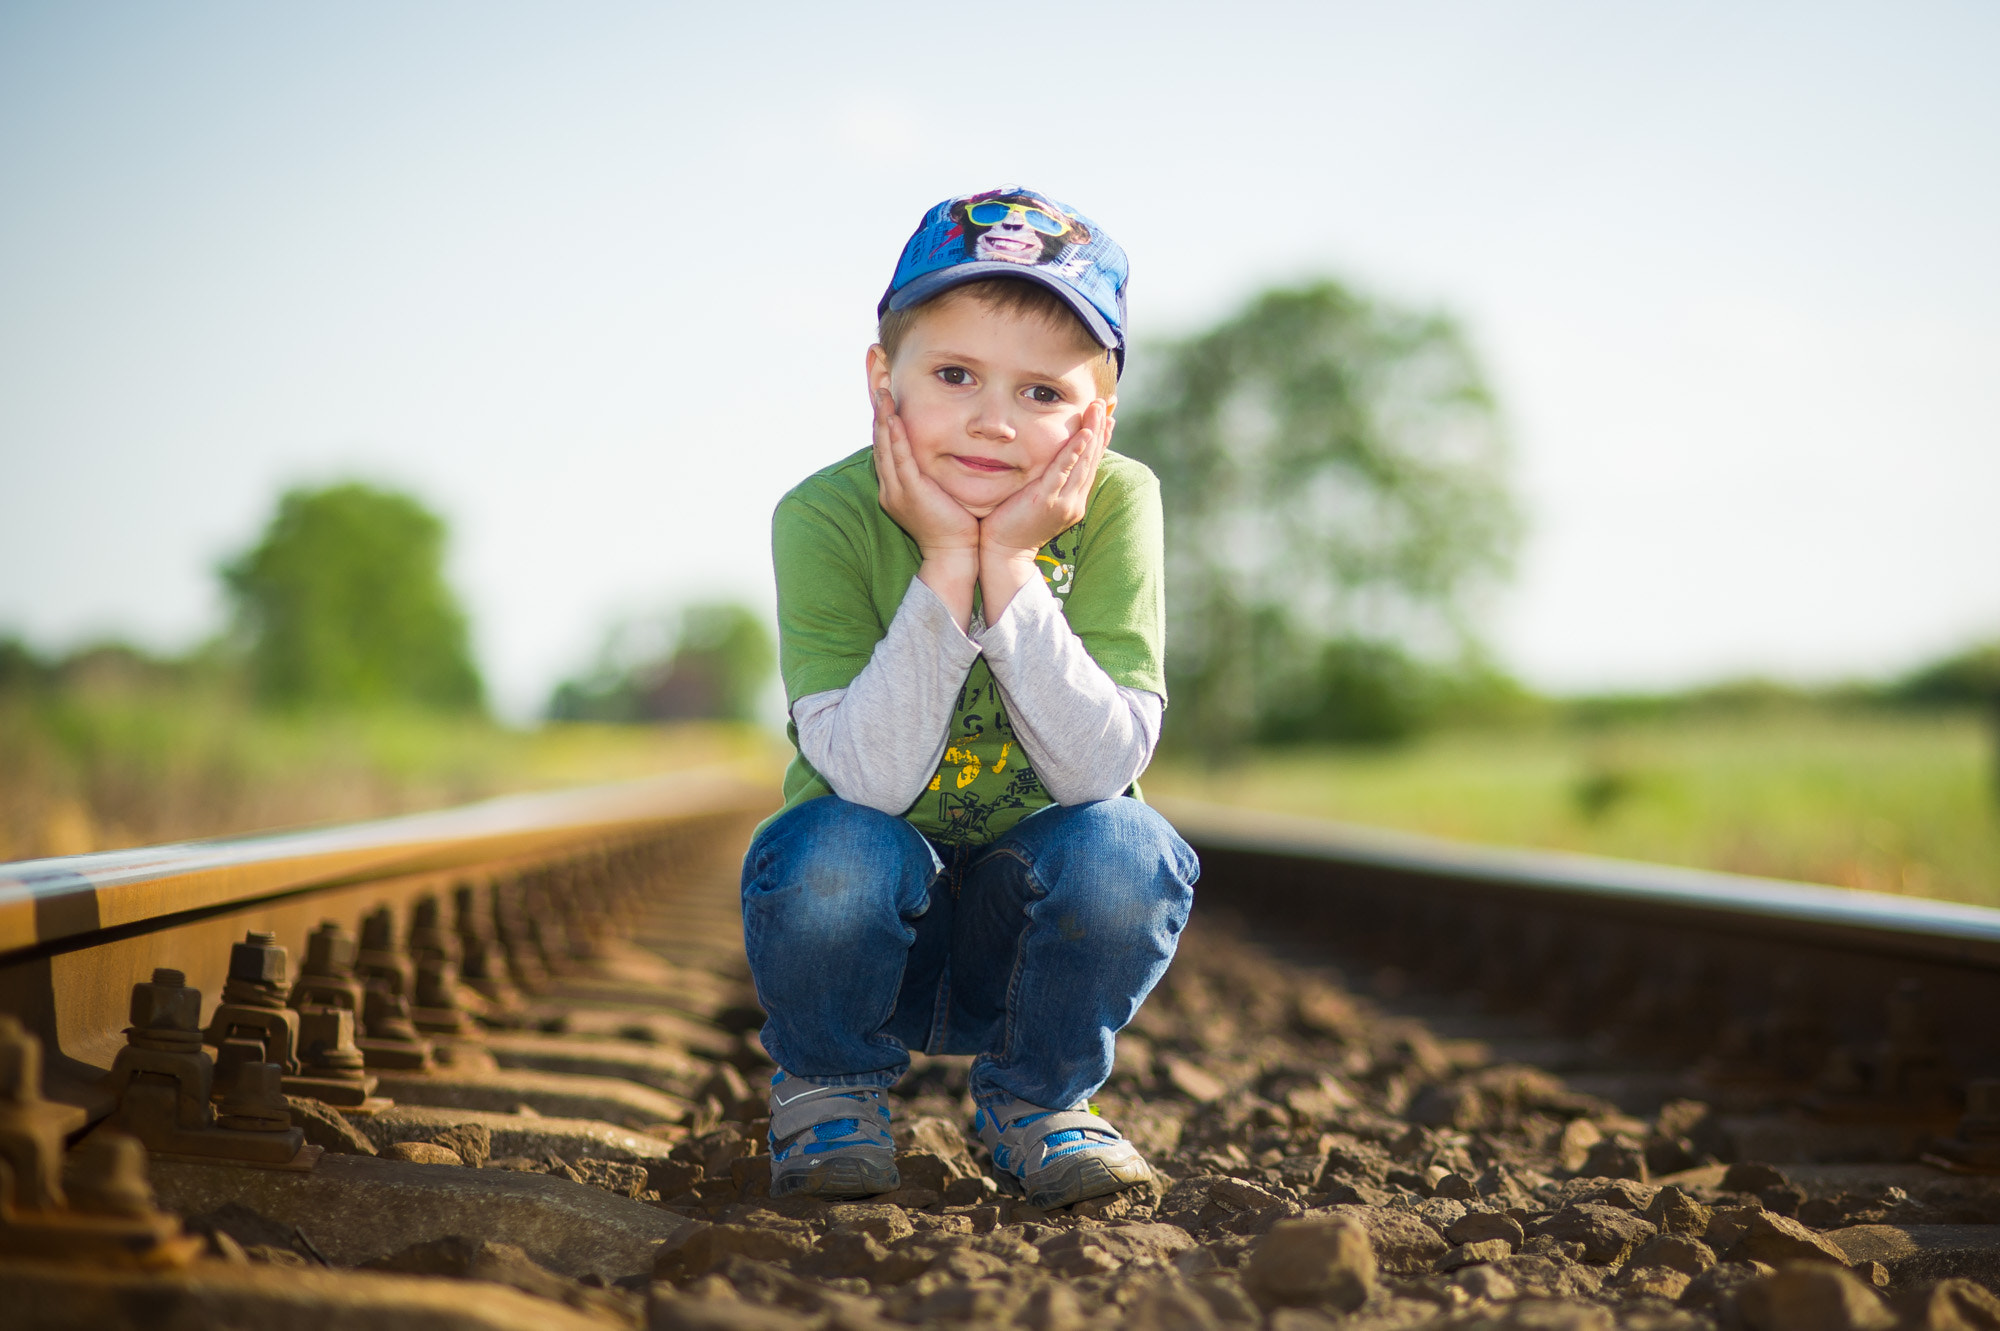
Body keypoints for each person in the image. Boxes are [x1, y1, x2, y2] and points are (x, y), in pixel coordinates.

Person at [744, 186, 1199, 1209]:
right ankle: (828, 1089)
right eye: (954, 375)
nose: (994, 422)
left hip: (1029, 926)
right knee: (830, 849)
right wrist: (951, 556)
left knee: (1129, 848)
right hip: (865, 916)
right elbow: (865, 776)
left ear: (1100, 415)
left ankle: (1037, 1101)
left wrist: (1017, 565)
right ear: (882, 377)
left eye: (1043, 394)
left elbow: (1099, 768)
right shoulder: (823, 514)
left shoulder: (1119, 501)